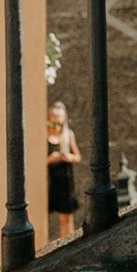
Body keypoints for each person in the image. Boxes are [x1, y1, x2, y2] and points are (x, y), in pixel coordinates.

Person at [43, 98, 81, 245]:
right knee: (43, 216)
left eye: (60, 118)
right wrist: (51, 159)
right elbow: (36, 162)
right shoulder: (43, 134)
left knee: (66, 217)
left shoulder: (68, 134)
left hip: (64, 179)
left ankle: (67, 245)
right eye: (55, 118)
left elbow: (77, 157)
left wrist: (68, 157)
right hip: (48, 179)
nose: (57, 122)